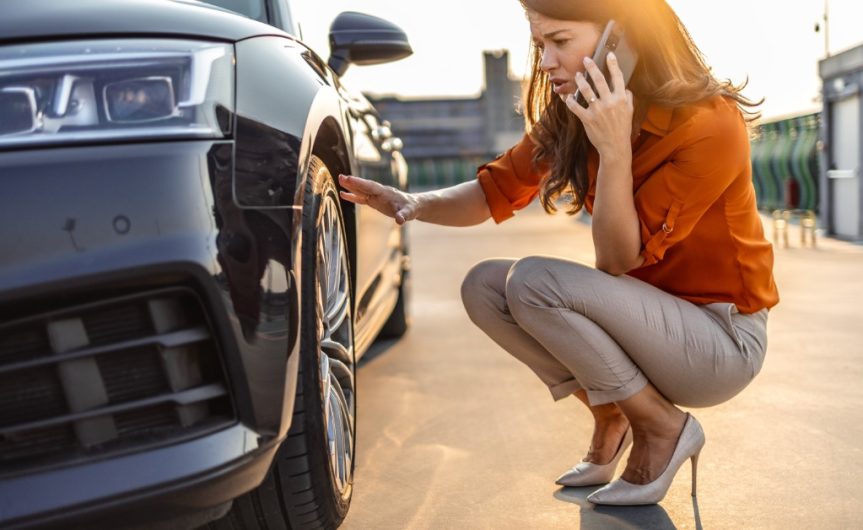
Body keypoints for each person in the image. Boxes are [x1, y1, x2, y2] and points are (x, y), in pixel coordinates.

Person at [337, 0, 779, 506]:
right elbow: (491, 193)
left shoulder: (708, 123)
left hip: (718, 343)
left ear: (622, 38)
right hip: (646, 327)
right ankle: (611, 409)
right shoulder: (573, 113)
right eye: (539, 44)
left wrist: (613, 151)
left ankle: (660, 426)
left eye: (561, 42)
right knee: (483, 287)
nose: (545, 62)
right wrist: (412, 202)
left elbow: (616, 260)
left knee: (532, 282)